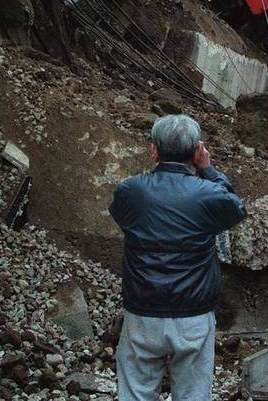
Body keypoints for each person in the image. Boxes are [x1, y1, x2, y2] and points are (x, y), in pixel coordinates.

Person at [109, 114, 247, 400]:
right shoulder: (208, 194)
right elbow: (235, 209)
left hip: (143, 312)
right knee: (193, 393)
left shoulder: (130, 191)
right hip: (193, 314)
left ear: (154, 150)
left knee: (136, 391)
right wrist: (208, 170)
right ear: (197, 151)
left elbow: (124, 219)